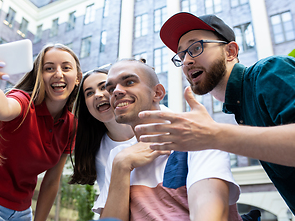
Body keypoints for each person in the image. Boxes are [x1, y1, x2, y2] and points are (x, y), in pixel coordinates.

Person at [134, 12, 295, 214]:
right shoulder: (240, 108)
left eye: (195, 48)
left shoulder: (269, 71)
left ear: (230, 51)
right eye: (181, 55)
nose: (186, 62)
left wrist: (212, 135)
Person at [94, 59, 242, 221]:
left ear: (157, 93)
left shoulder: (199, 137)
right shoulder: (118, 157)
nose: (116, 91)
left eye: (129, 82)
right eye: (110, 88)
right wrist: (121, 165)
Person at [0, 42, 82, 221]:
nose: (58, 74)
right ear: (39, 76)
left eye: (66, 67)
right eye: (49, 68)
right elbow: (2, 107)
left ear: (77, 78)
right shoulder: (23, 103)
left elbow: (52, 181)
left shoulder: (71, 125)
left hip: (21, 211)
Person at [69, 68, 135, 193]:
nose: (98, 95)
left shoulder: (160, 118)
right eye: (89, 93)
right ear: (87, 108)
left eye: (104, 87)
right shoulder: (99, 155)